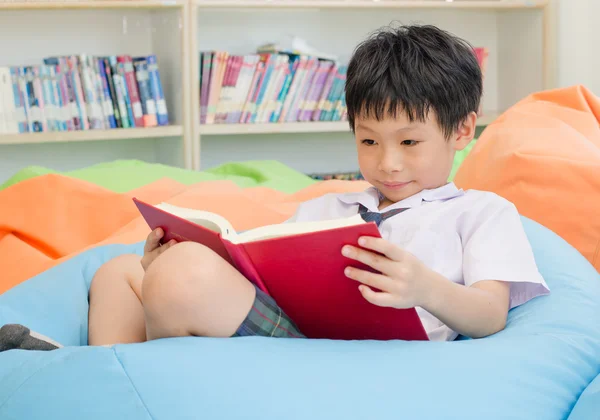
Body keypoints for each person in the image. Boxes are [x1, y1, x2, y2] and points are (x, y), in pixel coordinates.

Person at [0, 24, 549, 351]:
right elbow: (263, 272)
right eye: (368, 141)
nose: (386, 163)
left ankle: (113, 372)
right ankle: (102, 374)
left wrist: (427, 288)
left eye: (409, 143)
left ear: (461, 130)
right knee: (121, 270)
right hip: (292, 329)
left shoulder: (479, 211)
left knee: (184, 276)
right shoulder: (331, 204)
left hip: (360, 352)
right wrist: (172, 255)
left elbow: (490, 314)